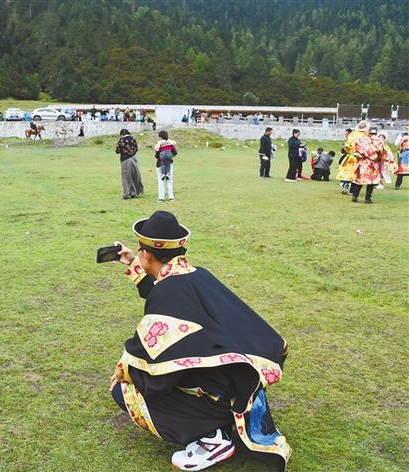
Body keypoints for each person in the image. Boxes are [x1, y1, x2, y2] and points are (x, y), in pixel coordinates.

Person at [108, 211, 290, 472]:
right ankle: (217, 422)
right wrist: (132, 264)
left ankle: (211, 438)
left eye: (139, 253)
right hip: (238, 385)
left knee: (124, 390)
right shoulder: (197, 276)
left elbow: (150, 358)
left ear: (146, 255)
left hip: (218, 398)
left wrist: (124, 372)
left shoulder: (168, 294)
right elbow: (167, 293)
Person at [349, 123, 380, 204]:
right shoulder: (372, 140)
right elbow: (373, 150)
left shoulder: (360, 139)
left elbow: (355, 150)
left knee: (359, 180)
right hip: (370, 163)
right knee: (370, 182)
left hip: (361, 162)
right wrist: (376, 157)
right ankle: (367, 198)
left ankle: (355, 196)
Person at [115, 129, 144, 200]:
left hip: (125, 159)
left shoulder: (122, 140)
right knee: (134, 175)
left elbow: (117, 150)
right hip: (134, 158)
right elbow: (136, 149)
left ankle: (127, 194)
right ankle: (134, 193)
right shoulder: (133, 139)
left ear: (122, 134)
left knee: (126, 177)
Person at [154, 130, 177, 202]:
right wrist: (169, 157)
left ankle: (161, 197)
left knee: (161, 180)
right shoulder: (170, 143)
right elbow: (175, 153)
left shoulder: (159, 144)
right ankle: (171, 197)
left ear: (160, 137)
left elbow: (157, 155)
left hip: (160, 163)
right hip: (169, 163)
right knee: (169, 180)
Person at [336, 128, 355, 194]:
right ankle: (346, 185)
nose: (345, 134)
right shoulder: (352, 139)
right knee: (349, 172)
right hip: (351, 157)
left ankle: (345, 184)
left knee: (347, 172)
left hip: (349, 157)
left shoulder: (350, 140)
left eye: (346, 133)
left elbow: (346, 148)